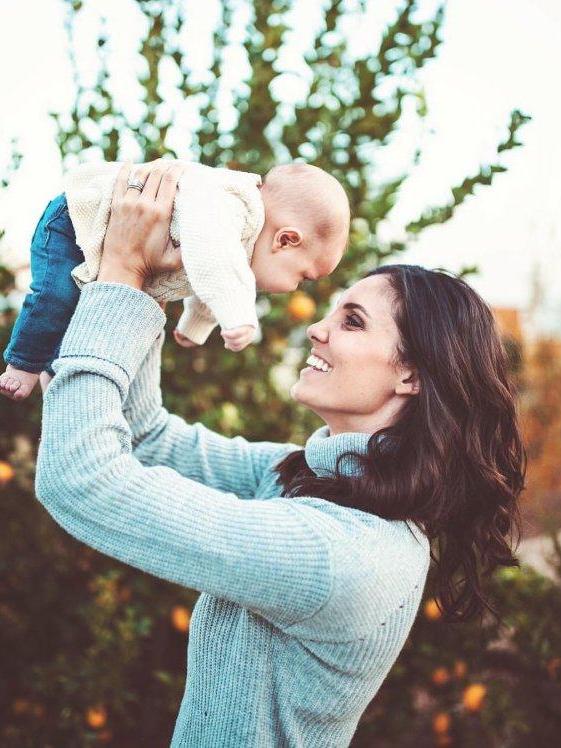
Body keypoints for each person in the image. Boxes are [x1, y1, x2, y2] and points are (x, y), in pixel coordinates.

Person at [34, 161, 524, 747]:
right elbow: (149, 440)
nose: (317, 328)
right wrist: (150, 284)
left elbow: (82, 480)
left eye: (353, 322)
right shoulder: (306, 476)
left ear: (411, 376)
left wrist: (119, 276)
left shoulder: (344, 554)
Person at [1, 159, 349, 400]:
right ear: (286, 240)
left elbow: (211, 275)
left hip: (108, 240)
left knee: (81, 312)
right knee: (57, 296)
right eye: (303, 278)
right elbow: (215, 261)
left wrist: (195, 324)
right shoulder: (234, 206)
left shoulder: (237, 250)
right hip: (75, 220)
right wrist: (238, 314)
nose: (294, 289)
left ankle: (54, 370)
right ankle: (22, 363)